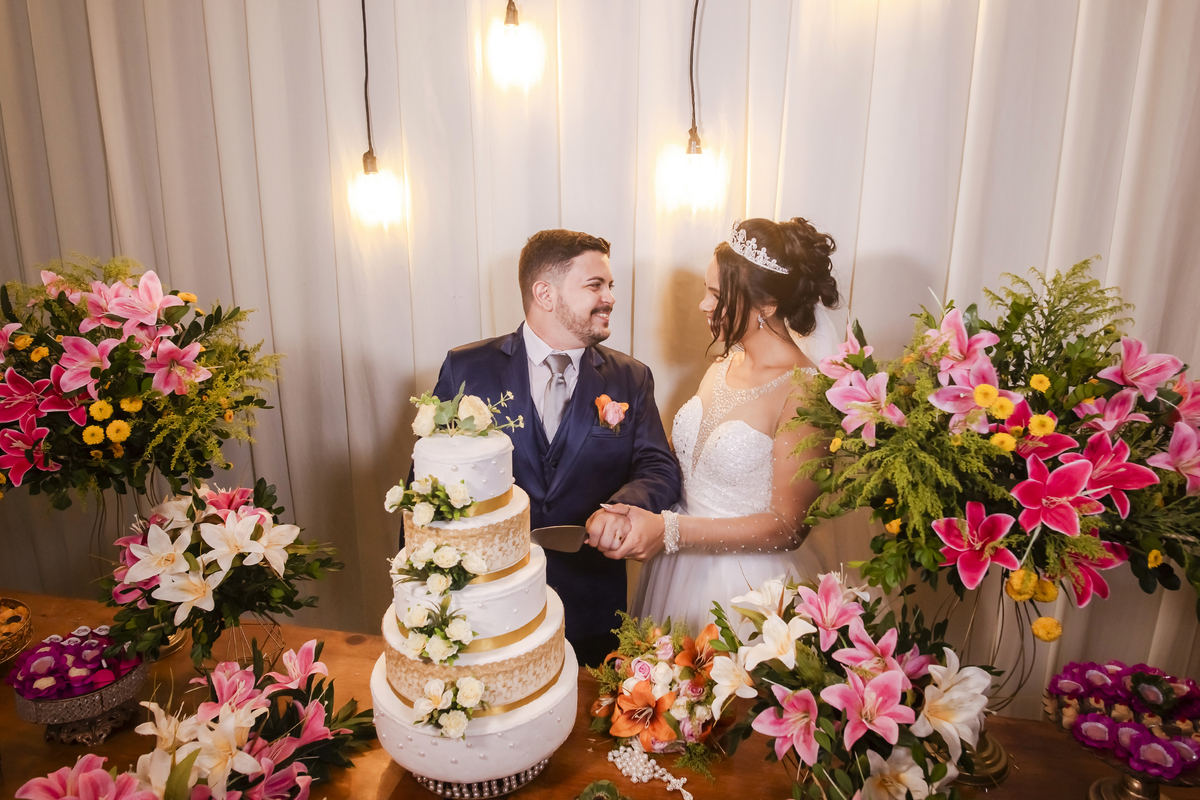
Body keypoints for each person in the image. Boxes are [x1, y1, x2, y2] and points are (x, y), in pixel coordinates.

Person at [420, 229, 681, 666]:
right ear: (545, 293)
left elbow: (659, 467)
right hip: (485, 601)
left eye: (610, 285)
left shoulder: (630, 378)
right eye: (595, 285)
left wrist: (621, 508)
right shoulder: (468, 368)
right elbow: (426, 483)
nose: (610, 297)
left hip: (591, 605)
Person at [594, 217, 840, 635]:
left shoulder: (806, 390)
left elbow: (788, 526)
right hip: (675, 570)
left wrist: (671, 530)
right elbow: (684, 461)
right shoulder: (724, 364)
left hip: (746, 589)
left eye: (716, 295)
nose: (704, 306)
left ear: (767, 305)